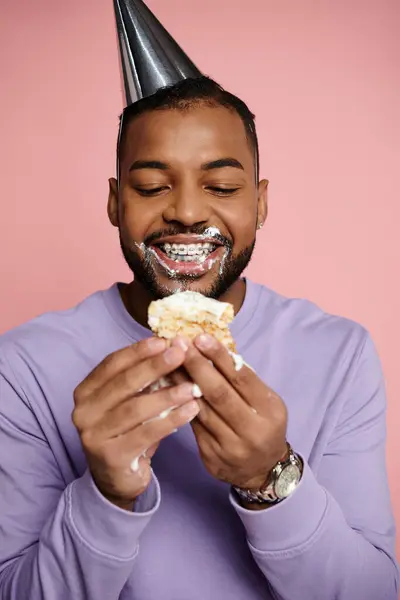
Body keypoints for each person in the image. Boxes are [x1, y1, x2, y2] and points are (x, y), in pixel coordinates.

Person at [0, 3, 398, 600]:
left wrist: (272, 478)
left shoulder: (340, 353)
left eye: (222, 187)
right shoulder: (24, 366)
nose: (186, 211)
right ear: (115, 203)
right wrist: (105, 490)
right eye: (152, 186)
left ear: (260, 203)